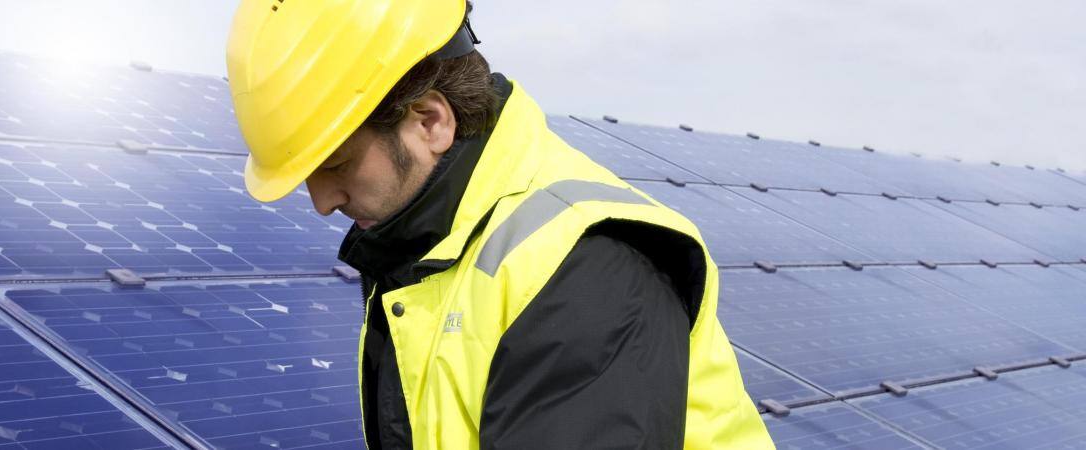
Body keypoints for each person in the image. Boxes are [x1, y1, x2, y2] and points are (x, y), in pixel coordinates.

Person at [226, 1, 773, 448]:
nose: (321, 202)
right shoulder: (427, 246)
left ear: (430, 121)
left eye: (337, 164)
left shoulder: (583, 266)